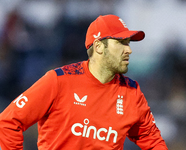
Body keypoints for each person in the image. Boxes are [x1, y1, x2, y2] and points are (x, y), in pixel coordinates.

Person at [0, 14, 168, 150]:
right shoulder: (58, 81)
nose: (129, 50)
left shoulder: (131, 92)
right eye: (121, 43)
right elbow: (8, 122)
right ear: (99, 47)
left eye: (128, 43)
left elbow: (152, 141)